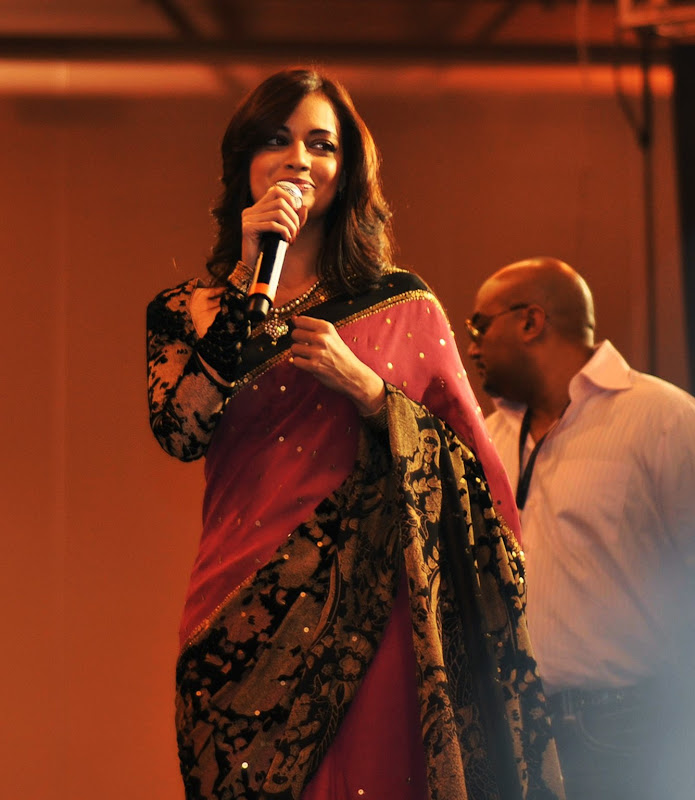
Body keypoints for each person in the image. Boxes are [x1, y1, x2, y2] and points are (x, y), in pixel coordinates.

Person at [147, 68, 564, 800]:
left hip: (373, 614)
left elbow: (477, 480)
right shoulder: (187, 309)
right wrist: (247, 280)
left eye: (321, 144)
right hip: (234, 616)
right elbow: (181, 431)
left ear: (346, 172)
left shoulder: (403, 305)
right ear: (244, 161)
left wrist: (372, 393)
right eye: (277, 140)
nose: (299, 159)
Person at [466, 256, 695, 800]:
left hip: (631, 731)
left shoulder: (666, 418)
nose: (470, 347)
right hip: (517, 730)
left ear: (530, 321)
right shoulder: (488, 438)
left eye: (479, 325)